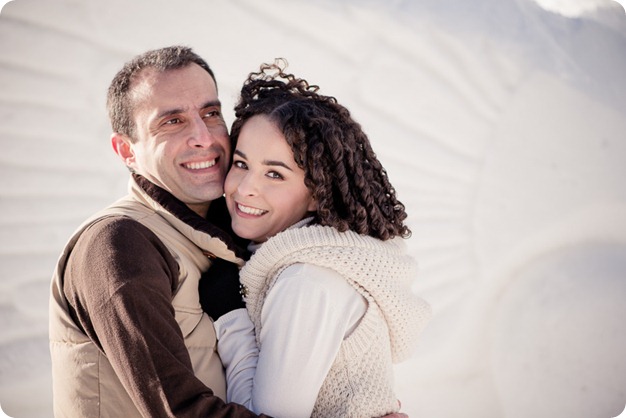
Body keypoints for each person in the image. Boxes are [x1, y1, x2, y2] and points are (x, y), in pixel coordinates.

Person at [48, 45, 272, 418]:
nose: (203, 136)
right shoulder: (119, 243)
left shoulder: (227, 237)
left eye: (211, 113)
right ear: (126, 151)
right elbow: (183, 412)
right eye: (172, 122)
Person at [205, 60, 432, 418]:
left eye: (275, 175)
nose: (245, 189)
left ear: (317, 194)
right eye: (242, 163)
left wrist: (230, 318)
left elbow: (265, 417)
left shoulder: (306, 281)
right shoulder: (292, 260)